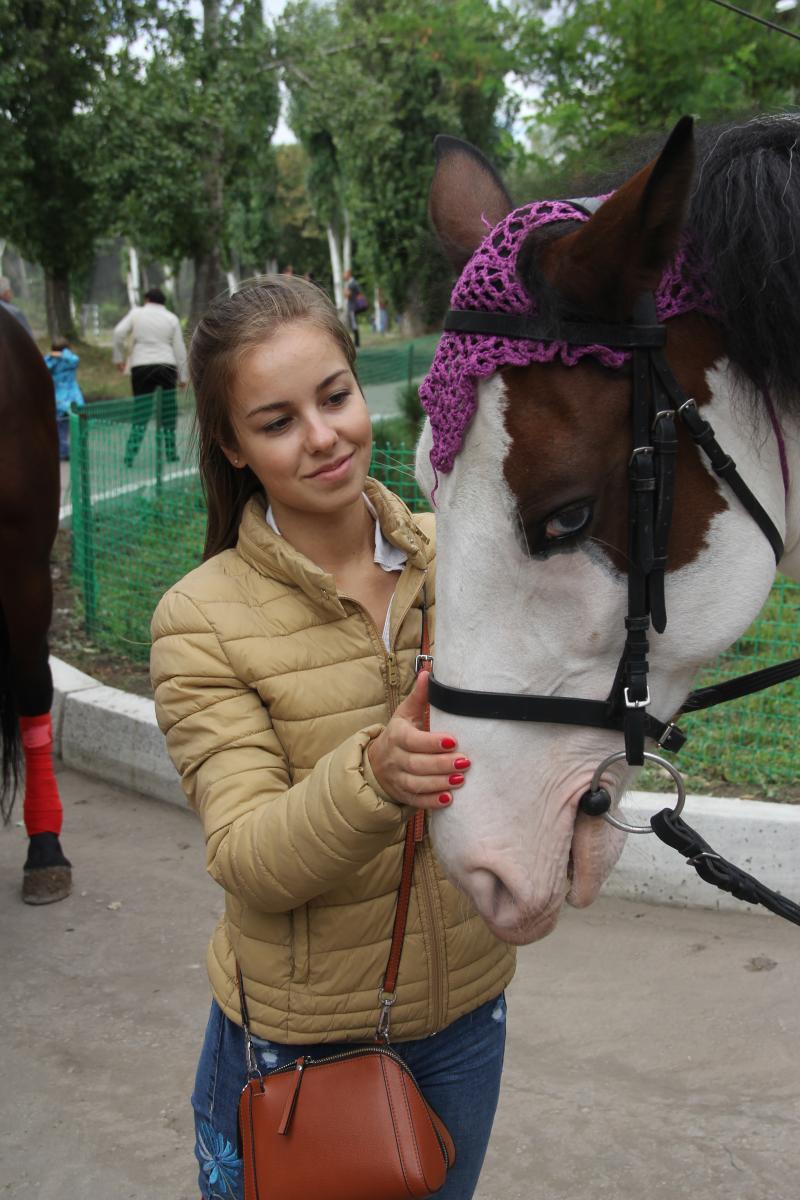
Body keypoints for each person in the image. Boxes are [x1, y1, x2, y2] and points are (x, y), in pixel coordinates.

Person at [150, 275, 515, 1200]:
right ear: (231, 445)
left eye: (335, 396)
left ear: (363, 387)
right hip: (301, 1047)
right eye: (276, 422)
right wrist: (374, 776)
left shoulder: (461, 553)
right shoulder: (201, 619)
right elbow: (247, 856)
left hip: (467, 1017)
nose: (322, 437)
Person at [112, 287, 188, 466]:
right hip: (166, 365)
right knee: (168, 410)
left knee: (141, 410)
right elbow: (179, 348)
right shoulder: (172, 318)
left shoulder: (136, 314)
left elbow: (117, 333)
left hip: (141, 365)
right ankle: (170, 452)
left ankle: (130, 454)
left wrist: (118, 358)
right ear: (164, 302)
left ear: (146, 300)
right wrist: (183, 377)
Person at [44, 337, 84, 460]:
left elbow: (74, 360)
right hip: (71, 398)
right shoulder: (59, 360)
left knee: (62, 426)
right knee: (70, 426)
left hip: (61, 398)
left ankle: (65, 451)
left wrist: (59, 355)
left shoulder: (67, 360)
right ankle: (68, 450)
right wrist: (58, 355)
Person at [342, 268, 363, 347]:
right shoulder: (353, 282)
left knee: (354, 324)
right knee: (353, 324)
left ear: (348, 274)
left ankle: (357, 343)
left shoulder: (351, 283)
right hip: (352, 306)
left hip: (352, 307)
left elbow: (347, 295)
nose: (343, 276)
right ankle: (356, 342)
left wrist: (344, 290)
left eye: (344, 274)